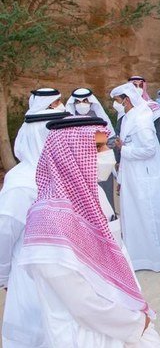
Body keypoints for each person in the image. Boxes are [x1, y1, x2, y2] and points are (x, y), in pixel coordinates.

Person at [19, 116, 160, 347]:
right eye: (97, 147)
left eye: (106, 145)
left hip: (124, 323)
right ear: (70, 156)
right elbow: (82, 302)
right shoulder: (47, 220)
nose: (107, 153)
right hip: (86, 335)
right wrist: (135, 323)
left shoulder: (92, 197)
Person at [0, 106, 68, 348]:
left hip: (69, 279)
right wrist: (5, 276)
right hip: (32, 279)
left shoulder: (65, 173)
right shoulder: (20, 182)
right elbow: (4, 234)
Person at [110, 83, 160, 272]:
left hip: (144, 176)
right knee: (137, 216)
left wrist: (123, 148)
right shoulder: (129, 117)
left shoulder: (142, 119)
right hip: (132, 175)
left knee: (152, 215)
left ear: (126, 100)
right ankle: (143, 258)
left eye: (117, 100)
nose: (116, 104)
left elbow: (149, 149)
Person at [66, 87, 116, 209]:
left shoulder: (99, 118)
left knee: (105, 198)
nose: (82, 104)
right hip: (78, 166)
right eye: (78, 102)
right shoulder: (68, 120)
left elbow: (109, 140)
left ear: (91, 102)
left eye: (85, 101)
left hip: (100, 163)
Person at [127, 76, 160, 157]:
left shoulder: (154, 108)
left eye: (140, 86)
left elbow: (159, 133)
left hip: (151, 150)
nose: (138, 88)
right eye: (135, 85)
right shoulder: (124, 108)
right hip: (131, 151)